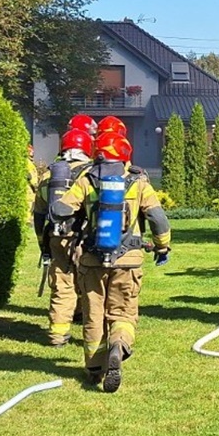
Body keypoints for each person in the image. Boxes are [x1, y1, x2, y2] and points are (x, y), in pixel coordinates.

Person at [51, 132, 170, 391]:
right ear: (127, 155)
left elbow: (61, 210)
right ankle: (119, 344)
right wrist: (163, 246)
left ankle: (94, 368)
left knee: (93, 313)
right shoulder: (138, 181)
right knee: (123, 312)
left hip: (93, 260)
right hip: (128, 260)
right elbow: (159, 220)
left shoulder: (87, 179)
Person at [31, 129, 94, 346]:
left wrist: (43, 244)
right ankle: (92, 332)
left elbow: (38, 214)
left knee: (62, 283)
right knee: (89, 284)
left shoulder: (49, 176)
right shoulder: (90, 174)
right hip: (83, 237)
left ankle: (58, 334)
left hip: (56, 236)